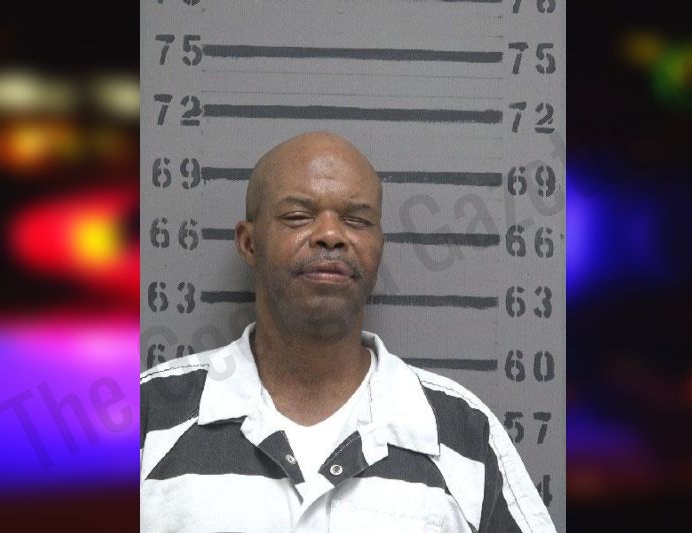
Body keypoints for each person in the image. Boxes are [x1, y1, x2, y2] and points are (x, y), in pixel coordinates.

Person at [140, 131, 556, 532]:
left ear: (379, 247)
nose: (330, 235)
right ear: (249, 243)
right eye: (298, 216)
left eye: (356, 220)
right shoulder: (149, 417)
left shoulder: (462, 434)